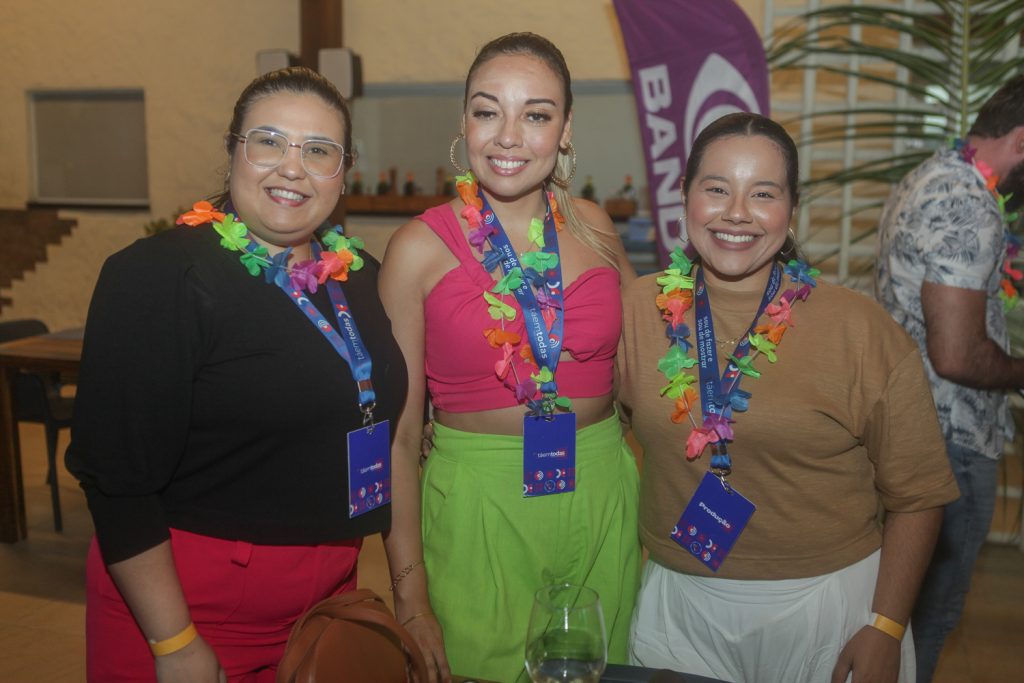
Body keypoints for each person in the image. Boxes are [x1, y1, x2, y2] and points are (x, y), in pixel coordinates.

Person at [66, 66, 407, 682]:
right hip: (187, 616)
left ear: (343, 171)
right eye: (269, 141)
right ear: (232, 151)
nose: (292, 167)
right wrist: (175, 645)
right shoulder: (159, 276)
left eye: (318, 151)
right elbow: (117, 481)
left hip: (326, 607)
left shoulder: (362, 278)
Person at [618, 112, 959, 683]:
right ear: (685, 195)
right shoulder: (635, 309)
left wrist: (887, 626)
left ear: (791, 209)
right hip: (680, 602)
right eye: (717, 188)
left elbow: (920, 496)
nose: (736, 213)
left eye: (763, 194)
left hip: (827, 606)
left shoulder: (859, 330)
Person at [379, 32, 640, 683]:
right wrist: (409, 596)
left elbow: (648, 366)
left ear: (566, 127)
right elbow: (400, 434)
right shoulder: (417, 248)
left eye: (537, 114)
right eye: (488, 110)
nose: (508, 135)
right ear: (463, 120)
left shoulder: (595, 226)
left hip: (604, 487)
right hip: (480, 507)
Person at [875, 75, 1024, 682]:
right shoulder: (964, 201)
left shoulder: (936, 174)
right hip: (948, 445)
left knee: (901, 617)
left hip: (916, 431)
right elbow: (958, 355)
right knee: (927, 620)